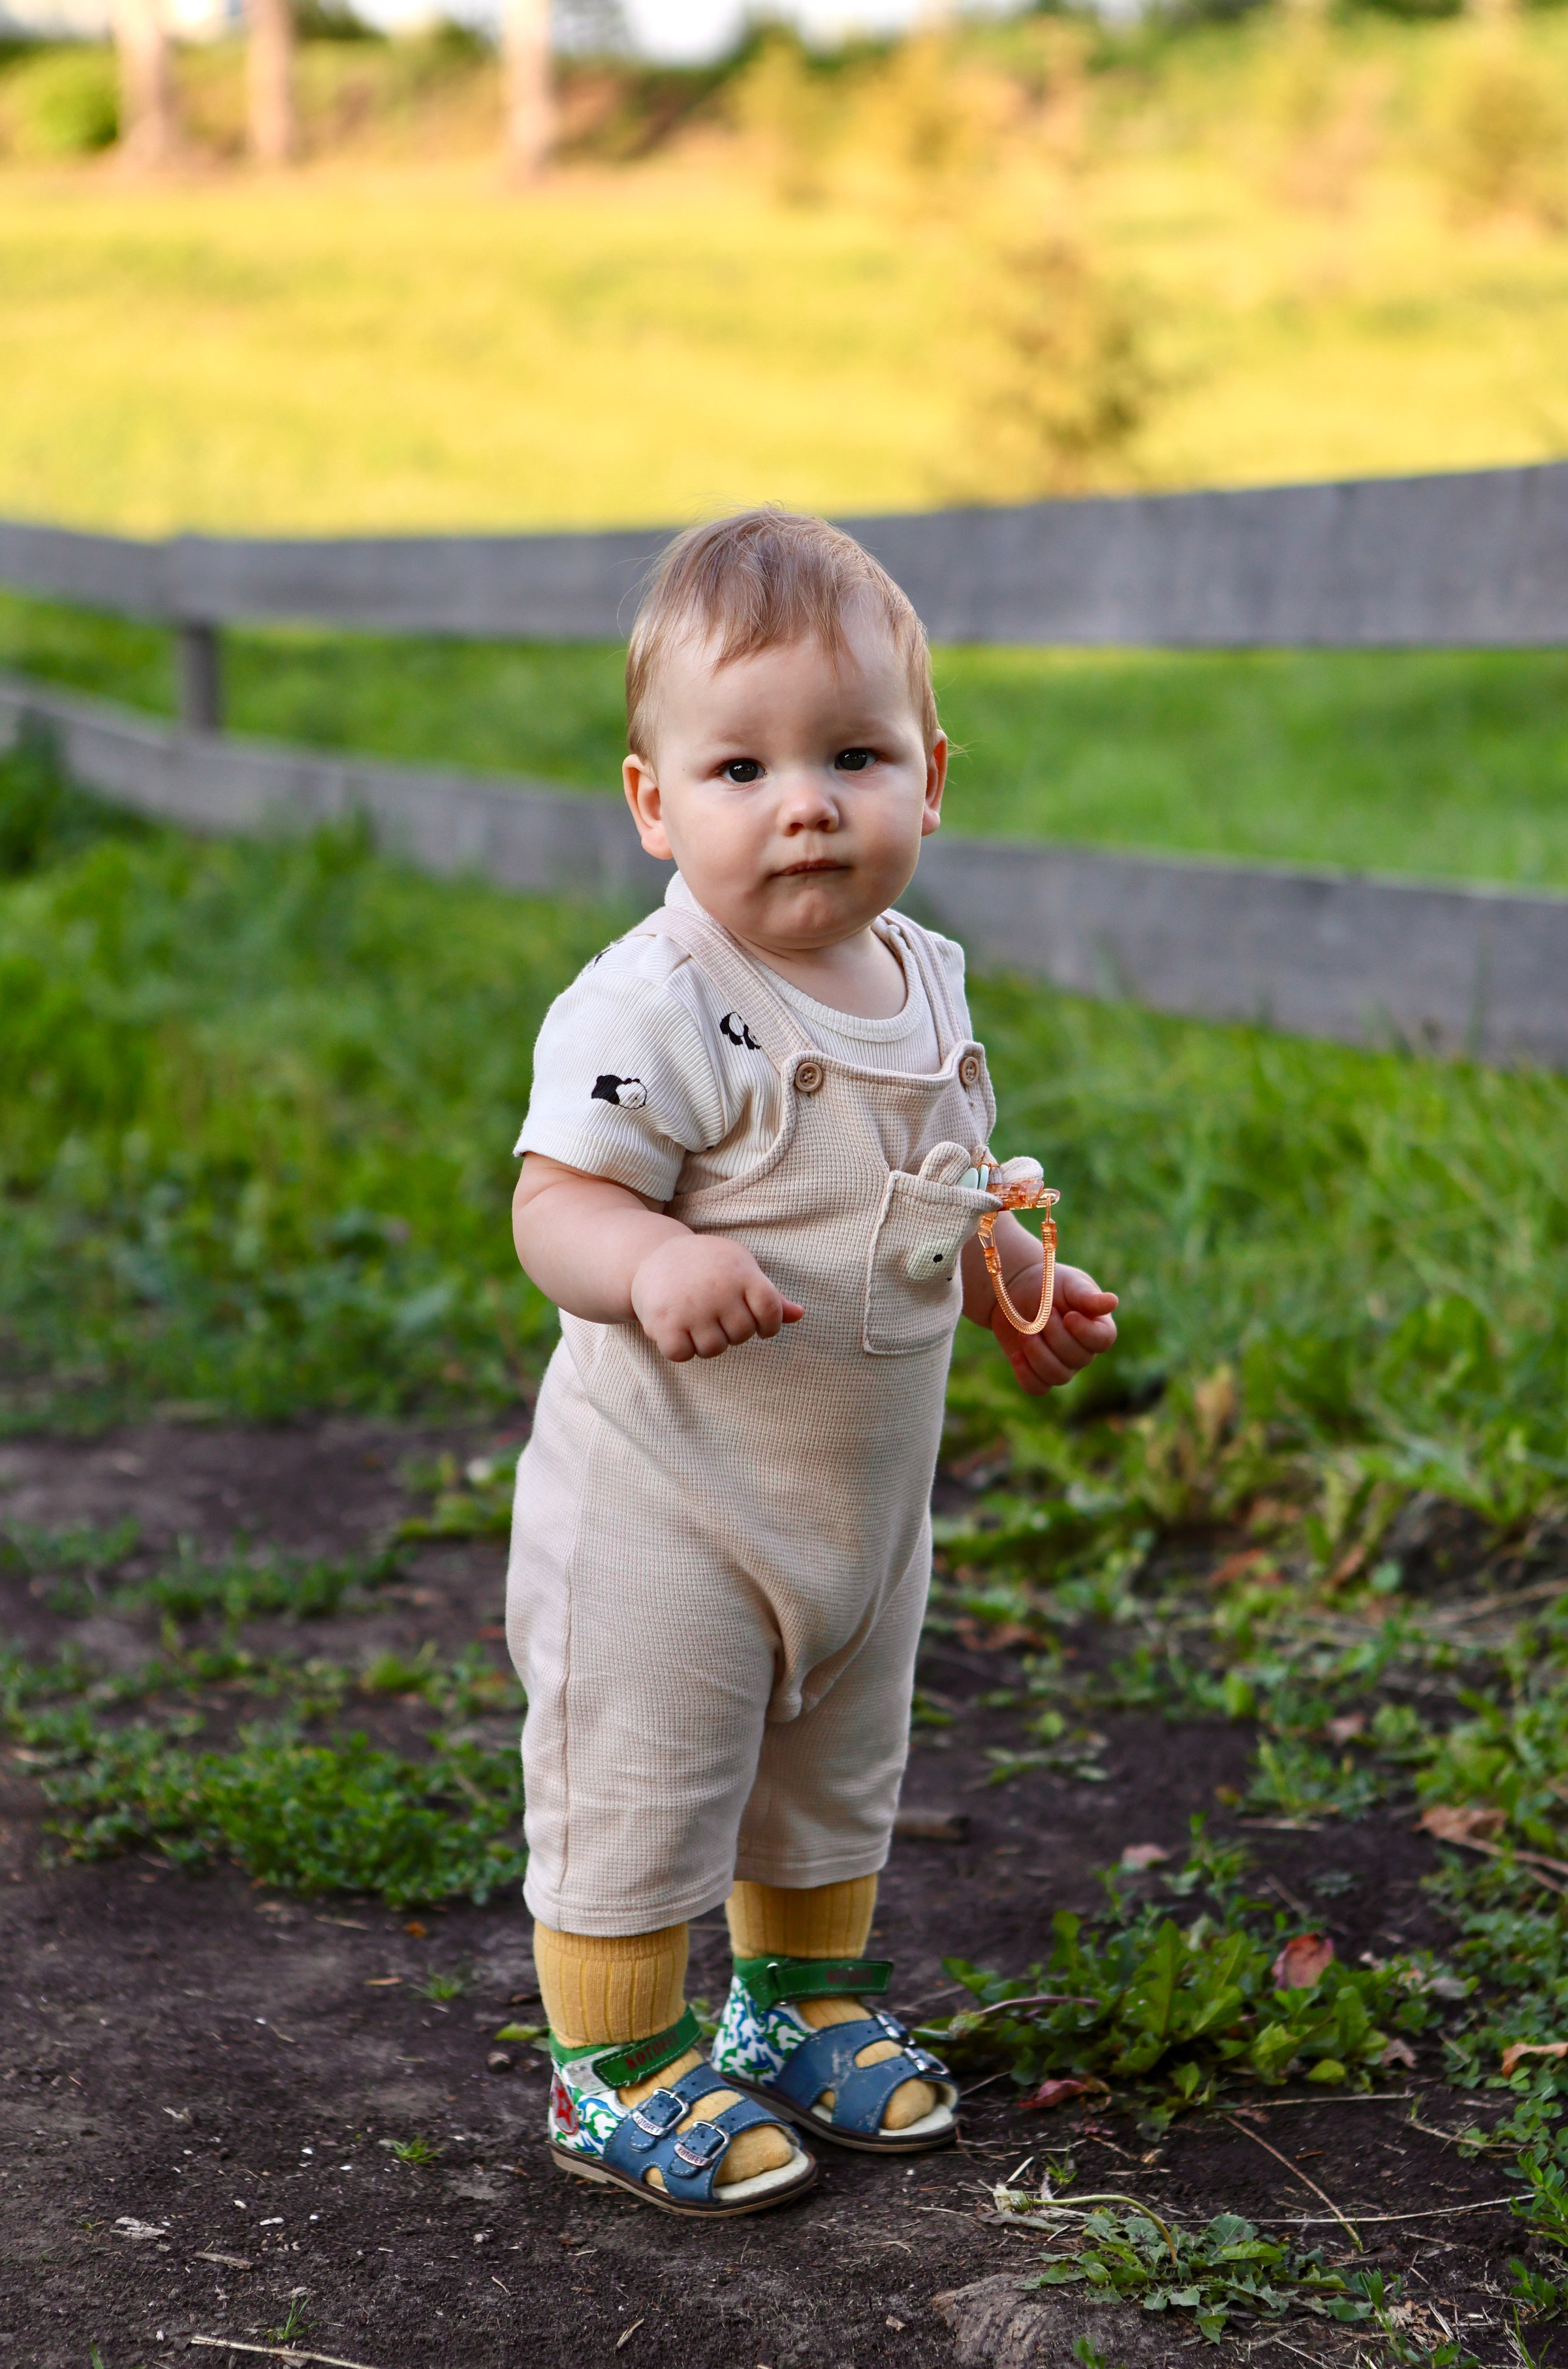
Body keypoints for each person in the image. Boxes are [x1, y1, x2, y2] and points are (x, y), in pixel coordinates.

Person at [505, 508, 1119, 2216]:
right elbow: (551, 1210)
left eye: (856, 755)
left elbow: (929, 1188)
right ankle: (615, 2066)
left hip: (855, 1510)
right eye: (742, 767)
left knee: (836, 1767)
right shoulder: (656, 1009)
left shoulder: (924, 983)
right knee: (646, 1775)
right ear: (653, 804)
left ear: (933, 775)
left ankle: (796, 1999)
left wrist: (1012, 1280)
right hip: (669, 1503)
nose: (807, 802)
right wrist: (653, 1257)